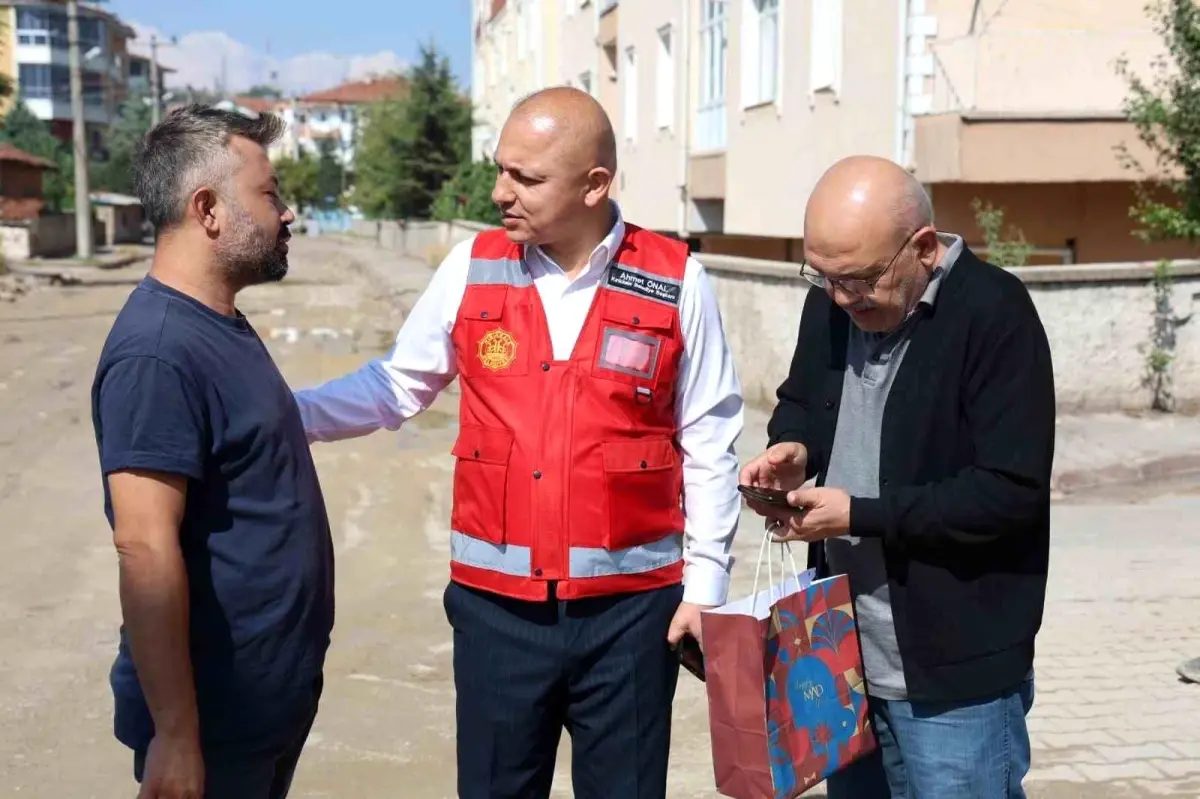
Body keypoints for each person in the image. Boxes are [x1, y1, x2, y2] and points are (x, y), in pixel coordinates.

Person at [294, 87, 743, 798]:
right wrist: (276, 415)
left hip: (632, 614)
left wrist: (707, 585)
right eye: (500, 169)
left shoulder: (675, 277)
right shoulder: (470, 267)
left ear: (595, 184)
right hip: (497, 612)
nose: (500, 192)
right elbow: (395, 386)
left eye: (526, 178)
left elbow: (709, 434)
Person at [740, 155, 1055, 798]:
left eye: (858, 280)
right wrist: (792, 450)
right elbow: (802, 400)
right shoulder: (832, 303)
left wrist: (860, 515)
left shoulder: (995, 312)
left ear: (924, 247)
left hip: (953, 671)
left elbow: (1009, 493)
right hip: (840, 654)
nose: (840, 298)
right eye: (822, 276)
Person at [91, 106, 333, 799]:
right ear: (208, 209)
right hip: (214, 720)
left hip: (261, 701)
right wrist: (175, 733)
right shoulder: (157, 353)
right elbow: (144, 547)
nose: (286, 213)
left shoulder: (218, 322)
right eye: (269, 193)